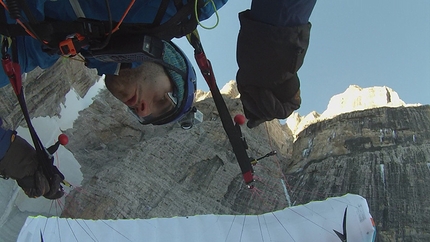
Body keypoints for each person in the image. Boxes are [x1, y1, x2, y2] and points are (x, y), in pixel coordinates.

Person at [0, 0, 316, 128]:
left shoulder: (48, 48)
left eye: (145, 115)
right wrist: (270, 69)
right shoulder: (174, 9)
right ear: (168, 62)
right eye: (165, 98)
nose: (143, 109)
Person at [0, 119, 64, 199]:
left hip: (8, 142)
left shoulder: (43, 169)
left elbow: (46, 154)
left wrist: (57, 144)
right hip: (3, 156)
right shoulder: (35, 188)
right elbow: (22, 181)